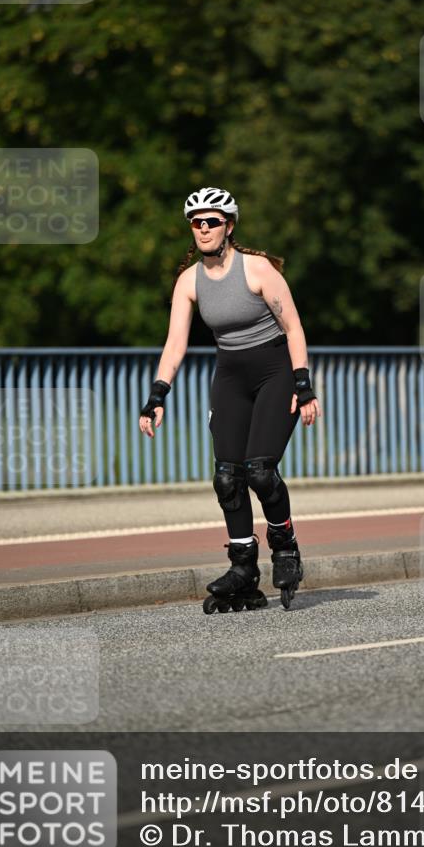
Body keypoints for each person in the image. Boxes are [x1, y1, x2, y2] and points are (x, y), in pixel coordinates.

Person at [139, 187, 321, 613]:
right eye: (196, 222)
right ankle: (243, 567)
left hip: (276, 373)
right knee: (227, 477)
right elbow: (175, 344)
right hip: (230, 377)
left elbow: (293, 328)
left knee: (260, 471)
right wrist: (157, 395)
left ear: (229, 226)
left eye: (212, 221)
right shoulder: (189, 281)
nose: (204, 228)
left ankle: (285, 546)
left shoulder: (257, 270)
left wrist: (303, 385)